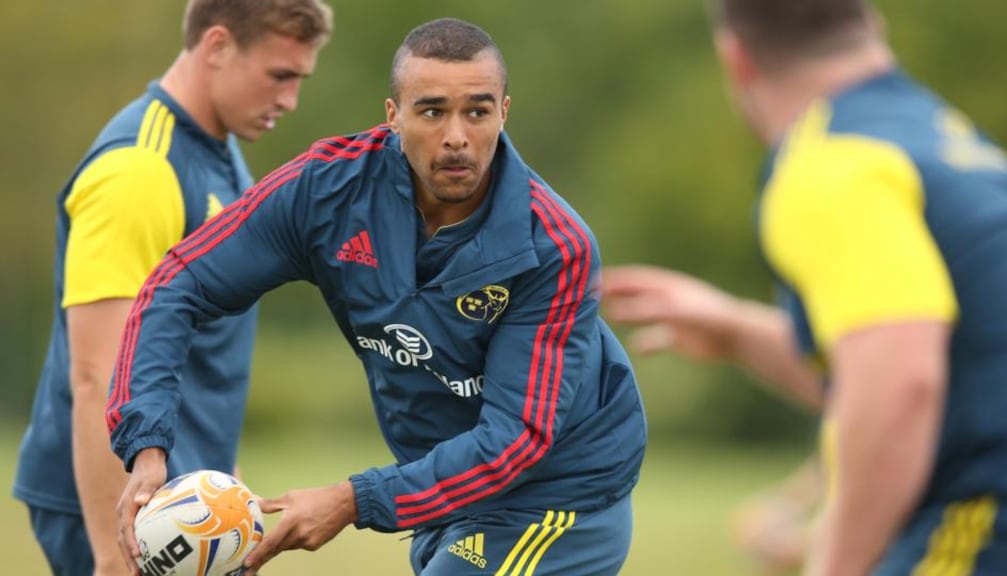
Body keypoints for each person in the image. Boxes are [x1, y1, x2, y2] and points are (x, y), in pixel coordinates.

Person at [107, 17, 647, 576]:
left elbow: (515, 440)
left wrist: (351, 500)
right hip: (440, 492)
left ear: (503, 112)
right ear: (394, 116)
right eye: (432, 112)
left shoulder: (554, 246)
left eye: (477, 112)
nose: (456, 136)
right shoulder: (328, 191)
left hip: (556, 496)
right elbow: (178, 283)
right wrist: (148, 445)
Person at [603, 0, 1007, 574]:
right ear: (872, 26)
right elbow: (941, 373)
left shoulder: (832, 162)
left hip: (990, 524)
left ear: (736, 58)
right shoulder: (944, 138)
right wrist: (737, 331)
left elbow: (901, 383)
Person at [12, 2, 332, 574]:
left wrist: (224, 483)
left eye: (299, 80)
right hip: (122, 513)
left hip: (189, 504)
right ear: (217, 46)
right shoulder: (140, 169)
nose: (289, 100)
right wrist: (112, 558)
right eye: (279, 75)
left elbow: (201, 354)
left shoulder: (222, 157)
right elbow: (97, 377)